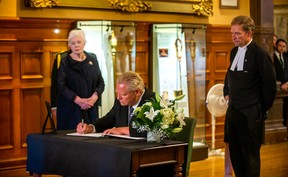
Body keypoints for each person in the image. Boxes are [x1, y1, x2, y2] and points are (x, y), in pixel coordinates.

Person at [223, 16, 277, 177]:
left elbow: (270, 86)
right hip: (233, 112)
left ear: (249, 33)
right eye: (232, 33)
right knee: (236, 154)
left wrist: (259, 108)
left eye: (238, 33)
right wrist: (226, 94)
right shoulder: (233, 52)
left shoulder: (260, 53)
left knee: (251, 157)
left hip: (251, 114)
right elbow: (229, 78)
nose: (234, 37)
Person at [76, 71, 155, 136]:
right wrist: (91, 127)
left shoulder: (154, 101)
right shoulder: (120, 100)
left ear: (137, 92)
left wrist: (124, 130)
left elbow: (154, 129)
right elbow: (110, 119)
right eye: (117, 93)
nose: (118, 98)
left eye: (123, 94)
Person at [56, 28, 105, 130]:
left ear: (84, 43)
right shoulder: (65, 62)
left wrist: (93, 98)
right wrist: (78, 100)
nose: (76, 45)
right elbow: (61, 86)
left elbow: (101, 82)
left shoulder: (93, 59)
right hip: (71, 108)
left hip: (91, 107)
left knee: (91, 135)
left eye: (79, 42)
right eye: (73, 43)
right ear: (69, 45)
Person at [273, 38, 288, 127]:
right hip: (277, 86)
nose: (282, 48)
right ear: (276, 46)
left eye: (284, 46)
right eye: (280, 46)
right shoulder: (272, 57)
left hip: (286, 87)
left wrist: (287, 83)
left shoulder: (286, 58)